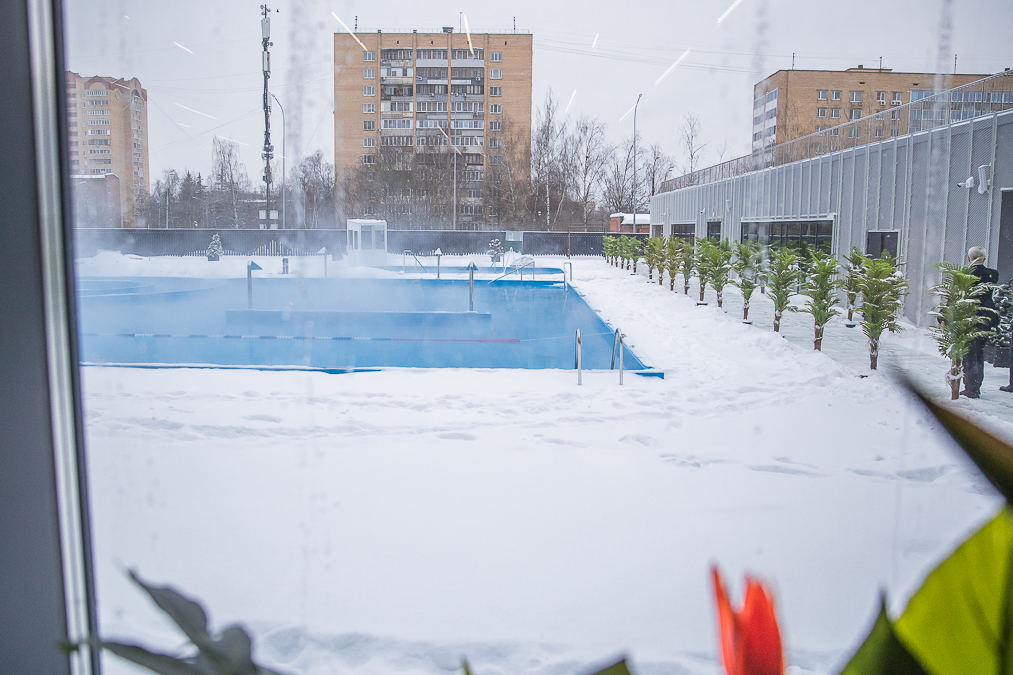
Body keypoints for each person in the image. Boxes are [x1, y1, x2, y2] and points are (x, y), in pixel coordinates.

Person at [962, 246, 998, 398]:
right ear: (984, 259)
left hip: (971, 316)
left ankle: (972, 387)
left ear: (969, 259)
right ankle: (976, 385)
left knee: (970, 353)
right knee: (978, 352)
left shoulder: (966, 274)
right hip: (987, 316)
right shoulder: (992, 274)